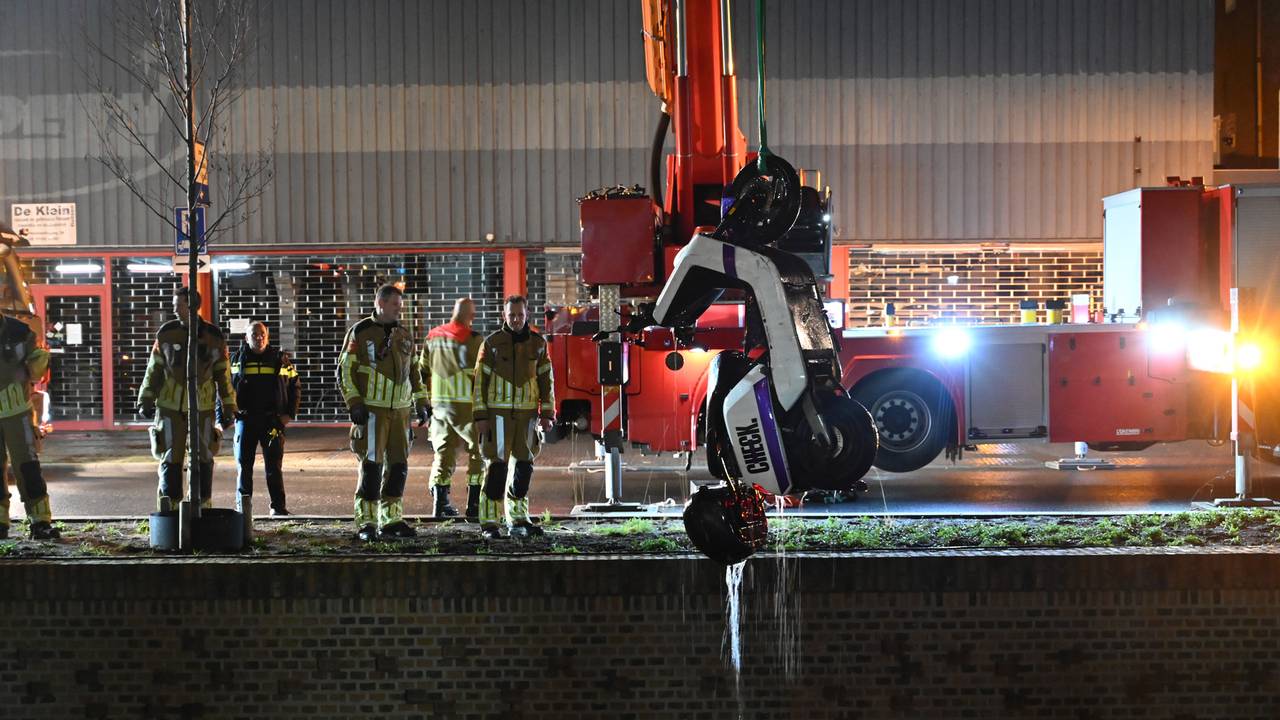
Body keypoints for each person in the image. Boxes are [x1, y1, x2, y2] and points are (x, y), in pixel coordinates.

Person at [337, 283, 429, 542]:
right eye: (395, 305)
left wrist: (421, 402)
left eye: (400, 306)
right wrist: (354, 402)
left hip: (400, 412)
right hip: (372, 411)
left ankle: (391, 519)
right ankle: (366, 521)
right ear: (380, 303)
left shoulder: (404, 334)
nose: (400, 310)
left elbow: (414, 372)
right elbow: (345, 370)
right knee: (372, 467)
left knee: (398, 466)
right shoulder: (360, 332)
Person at [137, 287, 237, 511]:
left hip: (203, 408)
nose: (174, 308)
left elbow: (223, 374)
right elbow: (154, 369)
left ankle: (201, 506)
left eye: (178, 304)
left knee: (203, 457)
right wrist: (145, 399)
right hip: (169, 407)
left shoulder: (214, 337)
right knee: (170, 458)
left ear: (191, 306)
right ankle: (169, 508)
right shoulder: (166, 333)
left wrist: (229, 405)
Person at [472, 295, 555, 539]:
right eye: (512, 315)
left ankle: (518, 519)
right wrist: (480, 416)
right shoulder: (491, 343)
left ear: (527, 314)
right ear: (504, 316)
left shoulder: (538, 344)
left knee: (523, 469)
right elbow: (479, 383)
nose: (516, 319)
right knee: (496, 470)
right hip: (497, 416)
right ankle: (489, 522)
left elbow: (546, 381)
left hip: (527, 417)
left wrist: (547, 413)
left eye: (520, 314)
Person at [420, 297, 485, 519]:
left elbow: (422, 371)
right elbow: (483, 375)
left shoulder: (432, 337)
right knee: (477, 454)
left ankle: (440, 505)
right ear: (471, 316)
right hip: (467, 406)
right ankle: (474, 505)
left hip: (439, 407)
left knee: (443, 454)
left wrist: (425, 402)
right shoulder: (475, 340)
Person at [229, 321, 300, 518]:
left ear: (267, 337)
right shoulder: (236, 360)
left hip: (272, 421)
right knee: (244, 466)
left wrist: (288, 415)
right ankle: (243, 509)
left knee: (273, 467)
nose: (258, 338)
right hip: (245, 420)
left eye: (262, 334)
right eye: (254, 334)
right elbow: (225, 389)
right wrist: (226, 415)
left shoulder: (280, 360)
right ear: (246, 338)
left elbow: (295, 386)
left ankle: (278, 508)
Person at [0, 314, 57, 539]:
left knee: (28, 468)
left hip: (17, 412)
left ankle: (40, 521)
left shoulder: (20, 331)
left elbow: (36, 366)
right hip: (17, 410)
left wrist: (40, 359)